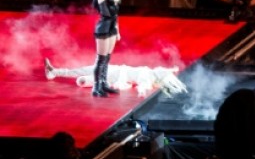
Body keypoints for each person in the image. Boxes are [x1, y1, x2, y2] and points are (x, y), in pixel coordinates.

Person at [44, 58, 187, 97]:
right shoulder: (148, 74)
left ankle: (54, 72)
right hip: (114, 72)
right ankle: (54, 72)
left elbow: (142, 87)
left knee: (83, 78)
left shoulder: (147, 78)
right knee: (85, 72)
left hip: (113, 75)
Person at [91, 0, 122, 98]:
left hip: (112, 27)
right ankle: (96, 87)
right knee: (101, 58)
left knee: (107, 58)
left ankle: (104, 83)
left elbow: (116, 15)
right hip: (103, 27)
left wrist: (117, 31)